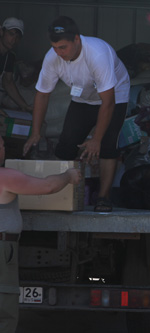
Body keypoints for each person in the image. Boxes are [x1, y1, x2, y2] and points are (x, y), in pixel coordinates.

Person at [23, 16, 130, 212]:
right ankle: (63, 194)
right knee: (67, 142)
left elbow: (108, 103)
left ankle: (103, 197)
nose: (58, 52)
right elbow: (42, 95)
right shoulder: (52, 58)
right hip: (83, 97)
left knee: (107, 144)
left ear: (77, 40)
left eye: (63, 47)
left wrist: (96, 138)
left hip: (114, 96)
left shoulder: (97, 55)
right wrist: (35, 132)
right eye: (54, 47)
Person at [0, 135, 81, 333]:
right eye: (1, 144)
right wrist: (69, 176)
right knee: (4, 308)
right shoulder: (5, 177)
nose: (3, 148)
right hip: (2, 249)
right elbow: (48, 186)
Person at [0, 18, 32, 112]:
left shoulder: (10, 56)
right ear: (2, 32)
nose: (14, 40)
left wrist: (24, 106)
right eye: (11, 34)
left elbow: (8, 82)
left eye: (18, 37)